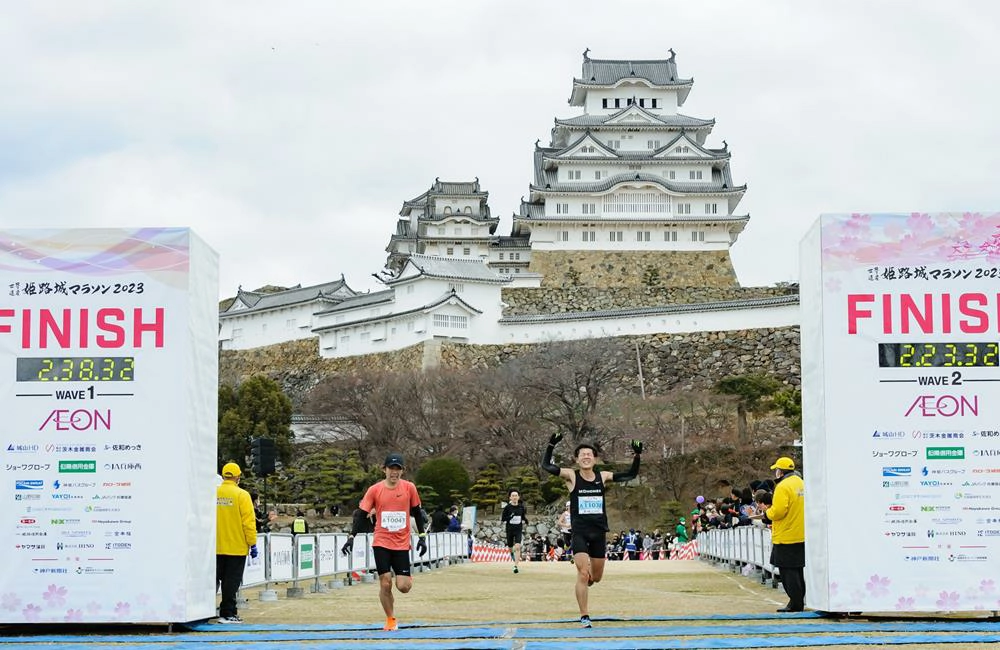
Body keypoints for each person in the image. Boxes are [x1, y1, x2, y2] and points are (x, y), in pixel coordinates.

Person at [542, 433, 642, 628]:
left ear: (595, 459)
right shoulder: (571, 476)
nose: (586, 457)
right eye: (582, 454)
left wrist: (637, 456)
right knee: (582, 572)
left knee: (595, 577)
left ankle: (589, 581)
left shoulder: (603, 477)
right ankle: (584, 615)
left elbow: (630, 475)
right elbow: (547, 466)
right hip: (579, 532)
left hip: (598, 533)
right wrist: (551, 445)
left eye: (589, 454)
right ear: (577, 459)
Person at [341, 453, 427, 631]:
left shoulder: (409, 488)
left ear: (403, 471)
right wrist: (351, 537)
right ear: (384, 469)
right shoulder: (375, 490)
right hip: (381, 541)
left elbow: (417, 513)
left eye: (398, 469)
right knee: (385, 582)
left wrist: (422, 537)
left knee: (403, 587)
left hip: (402, 543)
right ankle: (390, 619)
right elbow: (361, 514)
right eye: (391, 468)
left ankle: (403, 578)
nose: (394, 472)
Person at [215, 462, 258, 624]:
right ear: (238, 477)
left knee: (216, 580)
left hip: (215, 546)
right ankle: (227, 612)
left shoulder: (214, 493)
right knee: (231, 582)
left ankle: (213, 610)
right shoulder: (242, 495)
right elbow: (248, 522)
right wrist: (252, 543)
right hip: (236, 546)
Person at [767, 456, 805, 612]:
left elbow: (778, 511)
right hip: (801, 533)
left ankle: (795, 603)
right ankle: (799, 600)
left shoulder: (783, 487)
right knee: (798, 569)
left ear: (780, 472)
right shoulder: (801, 483)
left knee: (787, 570)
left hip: (786, 535)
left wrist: (767, 513)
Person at [500, 488, 528, 574]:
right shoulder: (507, 508)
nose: (515, 497)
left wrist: (526, 520)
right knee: (510, 548)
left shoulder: (521, 507)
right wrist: (510, 517)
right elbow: (503, 519)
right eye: (513, 496)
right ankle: (512, 555)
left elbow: (522, 516)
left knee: (518, 546)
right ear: (510, 498)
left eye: (516, 495)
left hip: (518, 529)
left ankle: (516, 566)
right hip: (510, 529)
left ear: (519, 497)